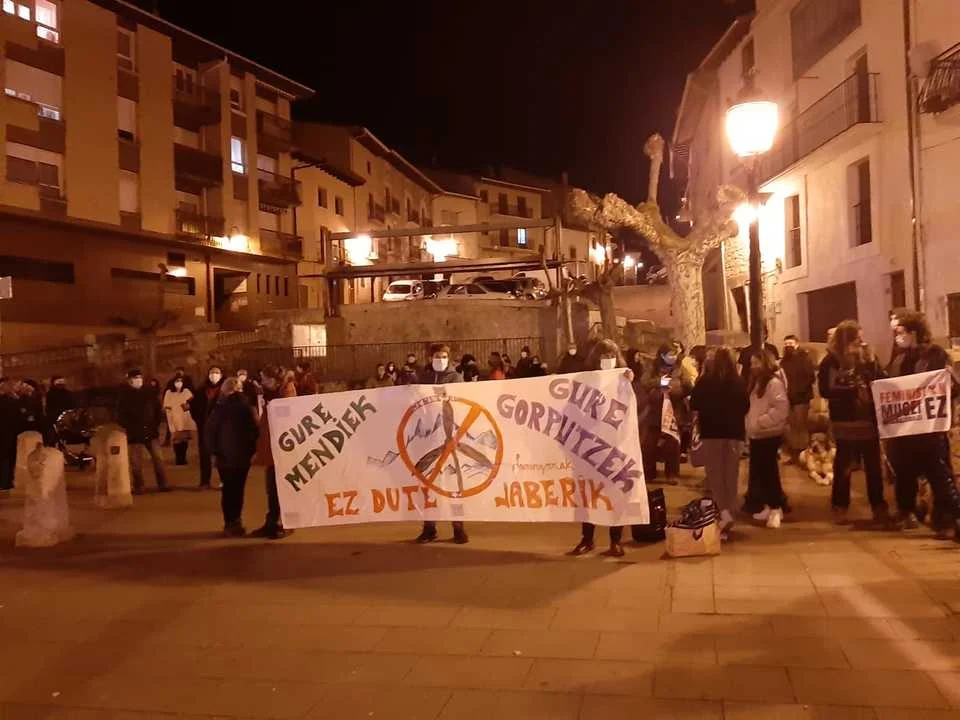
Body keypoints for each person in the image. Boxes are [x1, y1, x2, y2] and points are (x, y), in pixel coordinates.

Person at [888, 310, 960, 540]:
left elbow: (951, 385)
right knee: (904, 471)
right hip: (906, 427)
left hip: (931, 428)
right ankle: (906, 511)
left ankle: (949, 520)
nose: (897, 337)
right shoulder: (899, 358)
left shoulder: (935, 355)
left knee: (938, 473)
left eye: (900, 332)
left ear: (914, 332)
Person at [569, 339, 637, 557]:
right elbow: (571, 408)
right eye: (604, 356)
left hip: (614, 446)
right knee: (587, 494)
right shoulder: (585, 379)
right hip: (588, 445)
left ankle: (615, 540)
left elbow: (631, 407)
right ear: (596, 358)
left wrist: (630, 382)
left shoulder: (622, 379)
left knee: (615, 494)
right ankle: (587, 538)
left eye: (611, 356)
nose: (608, 360)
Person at [818, 320, 888, 525]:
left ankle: (878, 506)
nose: (861, 341)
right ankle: (840, 506)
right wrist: (853, 391)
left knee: (873, 466)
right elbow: (825, 390)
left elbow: (880, 380)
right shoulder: (831, 361)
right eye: (857, 338)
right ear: (845, 340)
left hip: (868, 420)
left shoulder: (865, 358)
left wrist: (872, 362)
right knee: (844, 466)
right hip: (845, 421)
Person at [690, 347, 749, 539]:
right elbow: (745, 406)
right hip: (734, 434)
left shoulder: (706, 381)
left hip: (711, 433)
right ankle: (729, 511)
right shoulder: (738, 382)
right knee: (731, 474)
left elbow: (694, 403)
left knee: (715, 475)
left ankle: (723, 512)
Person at [415, 344, 469, 545]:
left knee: (454, 486)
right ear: (431, 358)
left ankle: (458, 528)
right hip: (429, 438)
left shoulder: (455, 378)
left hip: (450, 436)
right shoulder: (424, 378)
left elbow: (463, 402)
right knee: (429, 486)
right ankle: (429, 528)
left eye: (444, 356)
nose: (441, 359)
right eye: (437, 356)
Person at [205, 377, 259, 537]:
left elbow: (210, 431)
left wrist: (213, 452)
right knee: (238, 489)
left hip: (224, 456)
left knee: (228, 489)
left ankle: (229, 522)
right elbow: (255, 431)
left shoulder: (218, 408)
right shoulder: (247, 408)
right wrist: (253, 450)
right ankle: (236, 520)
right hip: (243, 456)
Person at [744, 349, 790, 528]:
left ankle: (776, 507)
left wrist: (761, 422)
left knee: (769, 472)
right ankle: (769, 506)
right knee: (761, 472)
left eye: (756, 363)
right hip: (758, 434)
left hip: (768, 433)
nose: (753, 366)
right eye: (752, 363)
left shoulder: (773, 383)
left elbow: (781, 408)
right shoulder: (758, 383)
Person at [250, 365, 297, 539]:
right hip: (272, 449)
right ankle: (271, 523)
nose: (262, 382)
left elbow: (286, 420)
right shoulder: (272, 395)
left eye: (264, 379)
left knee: (284, 489)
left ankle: (287, 524)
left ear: (274, 380)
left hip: (283, 450)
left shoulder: (286, 394)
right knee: (272, 489)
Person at [642, 342, 691, 484]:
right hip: (655, 411)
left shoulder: (680, 369)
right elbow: (644, 383)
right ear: (662, 356)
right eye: (670, 355)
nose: (673, 358)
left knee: (672, 444)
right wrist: (660, 382)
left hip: (673, 411)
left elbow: (688, 386)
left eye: (675, 355)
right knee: (649, 444)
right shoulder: (652, 367)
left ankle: (672, 474)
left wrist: (676, 389)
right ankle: (649, 472)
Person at [116, 369, 170, 494]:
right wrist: (130, 427)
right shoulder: (124, 396)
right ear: (130, 380)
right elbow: (120, 415)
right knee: (136, 462)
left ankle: (163, 483)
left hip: (151, 432)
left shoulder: (149, 393)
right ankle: (139, 486)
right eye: (135, 378)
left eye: (140, 377)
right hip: (134, 434)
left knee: (158, 459)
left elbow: (157, 411)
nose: (138, 380)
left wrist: (154, 425)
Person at [781, 335, 816, 464]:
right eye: (786, 344)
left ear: (796, 344)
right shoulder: (784, 361)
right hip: (788, 398)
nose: (788, 346)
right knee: (791, 427)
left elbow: (810, 377)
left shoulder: (805, 358)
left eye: (790, 343)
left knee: (801, 426)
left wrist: (798, 391)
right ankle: (794, 454)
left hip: (801, 398)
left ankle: (805, 455)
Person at [190, 366, 224, 490]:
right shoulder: (201, 390)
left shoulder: (225, 390)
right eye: (212, 372)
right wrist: (199, 421)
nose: (214, 375)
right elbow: (193, 407)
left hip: (221, 428)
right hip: (205, 427)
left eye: (217, 372)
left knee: (222, 455)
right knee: (204, 455)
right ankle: (205, 481)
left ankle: (224, 480)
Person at [163, 374, 195, 466]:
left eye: (181, 381)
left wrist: (188, 406)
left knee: (184, 439)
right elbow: (166, 406)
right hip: (174, 417)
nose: (179, 383)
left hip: (184, 417)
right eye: (177, 381)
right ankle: (178, 458)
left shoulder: (186, 391)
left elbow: (192, 401)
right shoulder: (169, 392)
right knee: (177, 439)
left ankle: (183, 457)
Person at [0, 378, 21, 492]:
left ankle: (7, 481)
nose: (11, 387)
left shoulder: (12, 400)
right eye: (9, 385)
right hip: (7, 433)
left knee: (8, 457)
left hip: (10, 433)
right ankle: (5, 482)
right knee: (6, 457)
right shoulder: (9, 401)